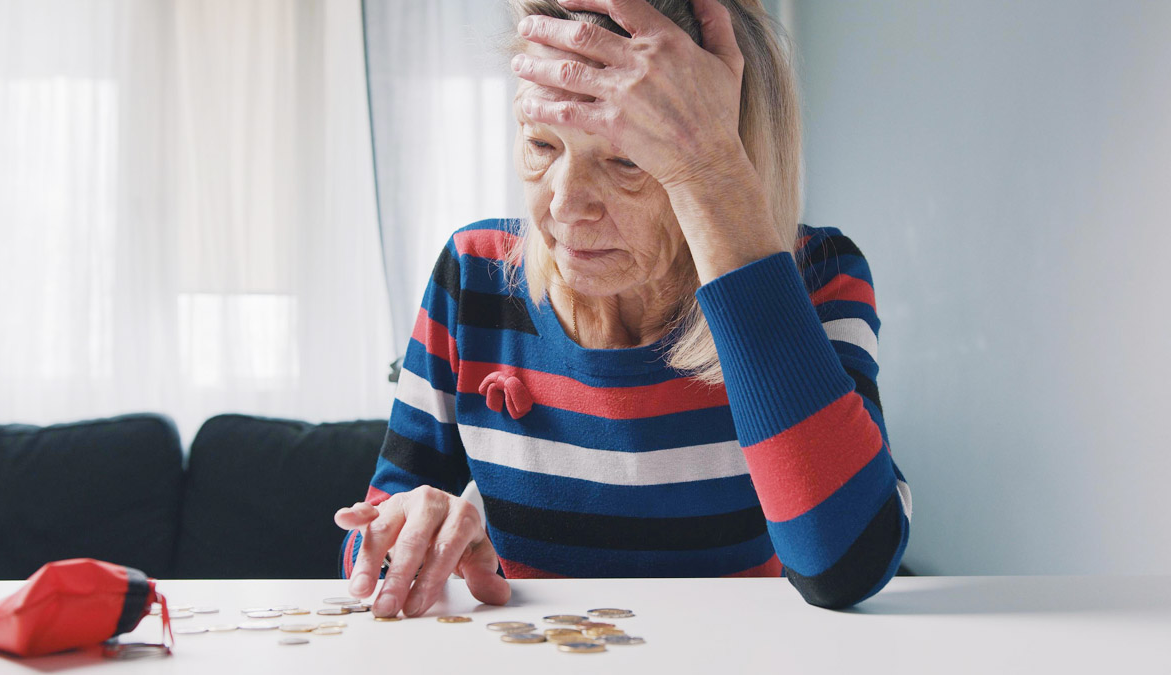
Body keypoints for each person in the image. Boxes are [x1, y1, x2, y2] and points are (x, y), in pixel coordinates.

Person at [334, 0, 910, 616]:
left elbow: (847, 564)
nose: (564, 204)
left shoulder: (815, 275)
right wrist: (413, 531)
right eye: (541, 144)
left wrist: (711, 172)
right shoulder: (472, 273)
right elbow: (371, 539)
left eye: (628, 158)